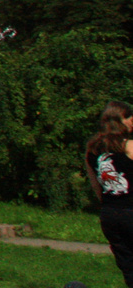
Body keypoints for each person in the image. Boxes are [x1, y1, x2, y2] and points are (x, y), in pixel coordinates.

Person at [88, 100, 133, 285]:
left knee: (128, 266)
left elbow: (96, 186)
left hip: (109, 215)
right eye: (129, 117)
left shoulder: (92, 148)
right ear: (119, 120)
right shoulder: (129, 146)